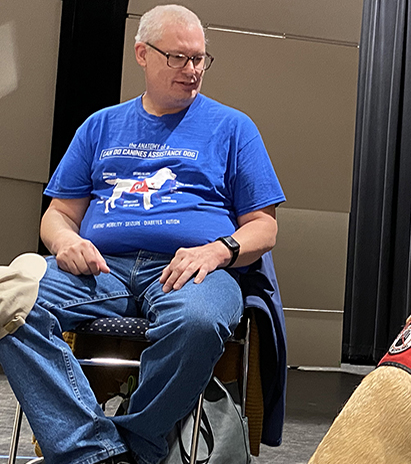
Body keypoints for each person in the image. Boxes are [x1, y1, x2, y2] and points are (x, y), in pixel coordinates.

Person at [0, 5, 285, 464]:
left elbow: (264, 227)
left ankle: (135, 445)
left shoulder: (233, 128)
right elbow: (58, 214)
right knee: (6, 299)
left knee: (197, 322)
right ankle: (95, 450)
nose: (192, 71)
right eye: (178, 58)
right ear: (142, 54)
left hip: (187, 268)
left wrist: (219, 250)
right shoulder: (101, 125)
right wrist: (65, 242)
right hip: (100, 269)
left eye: (200, 59)